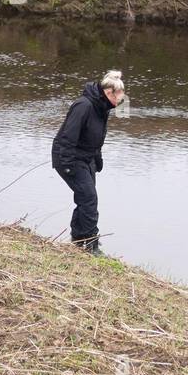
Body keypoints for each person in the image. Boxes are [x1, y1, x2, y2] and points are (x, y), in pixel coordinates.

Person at [51, 70, 125, 256]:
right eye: (120, 98)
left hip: (86, 158)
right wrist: (67, 164)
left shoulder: (102, 108)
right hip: (69, 157)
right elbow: (68, 136)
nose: (121, 102)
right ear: (109, 93)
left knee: (84, 199)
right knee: (89, 199)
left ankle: (78, 242)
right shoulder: (83, 106)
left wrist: (97, 160)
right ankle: (91, 244)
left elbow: (95, 137)